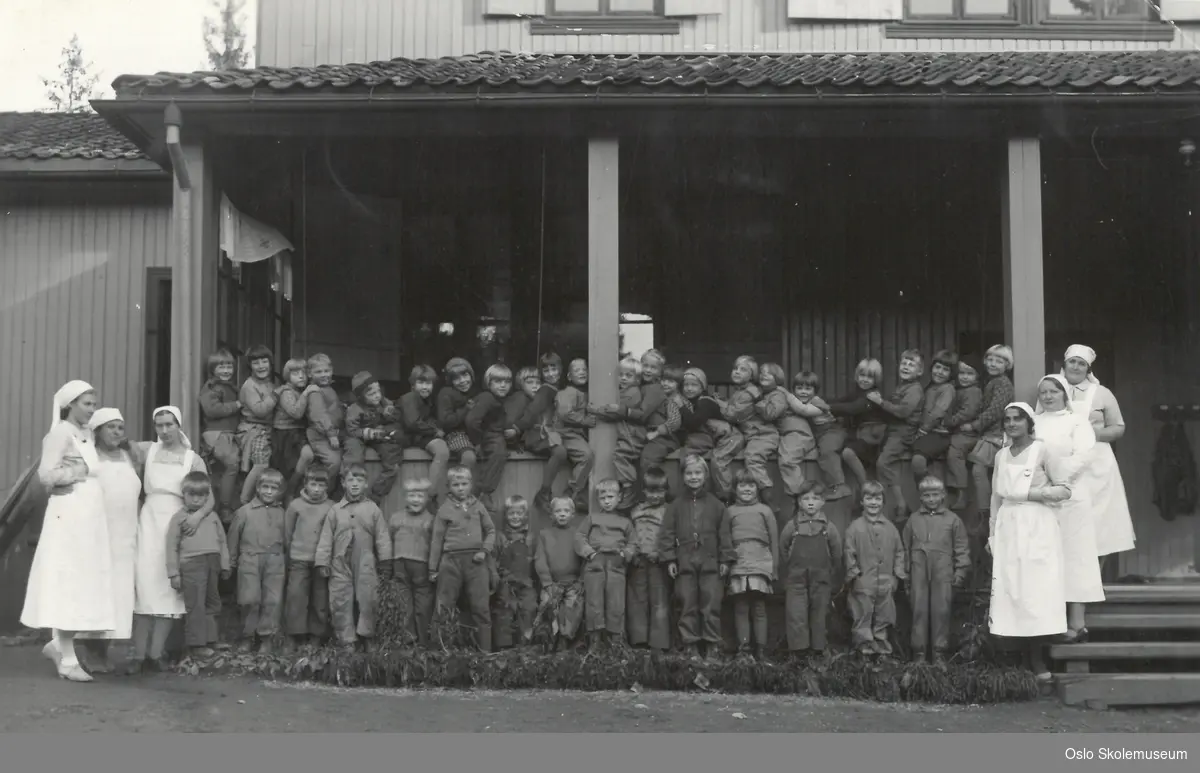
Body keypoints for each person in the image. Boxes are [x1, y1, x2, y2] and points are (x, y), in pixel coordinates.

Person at [22, 380, 115, 682]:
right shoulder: (60, 433)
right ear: (70, 404)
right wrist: (78, 472)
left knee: (81, 579)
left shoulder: (85, 433)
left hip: (89, 517)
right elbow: (46, 475)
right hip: (69, 514)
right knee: (69, 579)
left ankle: (58, 645)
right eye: (87, 404)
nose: (92, 409)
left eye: (93, 404)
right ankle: (67, 658)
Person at [987, 402, 1070, 682]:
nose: (1011, 424)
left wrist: (1028, 494)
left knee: (1035, 590)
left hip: (1037, 525)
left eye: (1017, 420)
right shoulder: (1001, 455)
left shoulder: (1043, 450)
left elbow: (1064, 490)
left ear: (1029, 423)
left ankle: (1037, 660)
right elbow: (996, 498)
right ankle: (1016, 660)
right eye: (1007, 420)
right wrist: (992, 535)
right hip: (1009, 526)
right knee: (1012, 590)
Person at [129, 406, 214, 675]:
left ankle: (156, 654)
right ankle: (138, 654)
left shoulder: (192, 458)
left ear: (179, 425)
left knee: (169, 588)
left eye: (169, 424)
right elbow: (118, 444)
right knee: (144, 584)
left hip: (178, 523)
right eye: (159, 425)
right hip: (149, 520)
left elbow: (208, 495)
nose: (164, 430)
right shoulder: (147, 450)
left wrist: (197, 516)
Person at [1035, 374, 1104, 641]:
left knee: (1075, 558)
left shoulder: (1077, 422)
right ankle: (1053, 623)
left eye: (1054, 391)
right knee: (1047, 559)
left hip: (1072, 497)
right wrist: (1043, 482)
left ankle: (1078, 624)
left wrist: (1058, 478)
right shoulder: (1034, 423)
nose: (1048, 396)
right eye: (1043, 392)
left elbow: (1085, 455)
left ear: (1064, 394)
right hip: (1043, 497)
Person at [74, 407, 141, 675]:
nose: (116, 432)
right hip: (99, 534)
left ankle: (104, 649)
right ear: (97, 430)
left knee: (120, 594)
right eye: (110, 427)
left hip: (127, 535)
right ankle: (90, 651)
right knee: (97, 591)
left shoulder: (129, 456)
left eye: (120, 428)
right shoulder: (89, 457)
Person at [1059, 344, 1135, 561]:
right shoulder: (1053, 387)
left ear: (1088, 368)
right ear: (1064, 364)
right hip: (1065, 461)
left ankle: (1096, 583)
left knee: (1098, 520)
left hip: (1097, 464)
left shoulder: (1101, 393)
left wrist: (1089, 433)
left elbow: (1118, 427)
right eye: (1072, 361)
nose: (1076, 366)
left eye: (1081, 363)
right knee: (1067, 517)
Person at [659, 454, 734, 662]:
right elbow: (666, 534)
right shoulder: (675, 506)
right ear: (683, 476)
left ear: (705, 475)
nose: (694, 477)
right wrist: (670, 559)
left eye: (698, 473)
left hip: (710, 561)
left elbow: (725, 535)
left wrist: (725, 560)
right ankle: (690, 645)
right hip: (684, 561)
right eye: (689, 473)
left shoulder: (717, 505)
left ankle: (711, 646)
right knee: (687, 602)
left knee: (711, 603)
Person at [316, 464, 393, 652]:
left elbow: (382, 536)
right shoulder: (335, 510)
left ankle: (368, 636)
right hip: (339, 562)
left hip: (365, 559)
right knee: (340, 598)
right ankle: (346, 639)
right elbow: (326, 537)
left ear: (366, 484)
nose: (355, 484)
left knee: (368, 598)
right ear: (343, 483)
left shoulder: (372, 509)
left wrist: (385, 561)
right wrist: (322, 561)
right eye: (351, 480)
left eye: (359, 481)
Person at [902, 476, 970, 665]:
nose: (931, 499)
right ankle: (919, 655)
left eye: (935, 495)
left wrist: (960, 572)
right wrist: (905, 574)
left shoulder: (953, 520)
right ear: (921, 498)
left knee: (941, 611)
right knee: (919, 611)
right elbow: (904, 549)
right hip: (918, 573)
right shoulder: (914, 520)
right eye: (927, 496)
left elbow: (962, 548)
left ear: (942, 496)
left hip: (943, 573)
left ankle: (939, 654)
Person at [428, 465, 495, 652]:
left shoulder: (478, 507)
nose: (460, 488)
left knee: (481, 607)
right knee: (444, 606)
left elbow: (491, 530)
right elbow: (436, 540)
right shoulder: (444, 510)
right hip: (451, 562)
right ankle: (440, 651)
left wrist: (484, 550)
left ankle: (485, 653)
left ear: (471, 485)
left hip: (476, 561)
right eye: (456, 484)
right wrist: (433, 569)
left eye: (464, 484)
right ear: (449, 487)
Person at [166, 471, 231, 659]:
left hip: (212, 563)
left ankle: (211, 639)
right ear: (183, 495)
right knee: (196, 605)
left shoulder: (212, 516)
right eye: (191, 495)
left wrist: (225, 564)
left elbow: (222, 540)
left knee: (212, 601)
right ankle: (196, 644)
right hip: (191, 564)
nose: (196, 499)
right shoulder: (179, 518)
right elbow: (171, 546)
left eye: (201, 495)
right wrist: (173, 573)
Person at [780, 481, 843, 660]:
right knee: (796, 613)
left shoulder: (828, 528)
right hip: (796, 578)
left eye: (815, 499)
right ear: (799, 502)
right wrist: (792, 568)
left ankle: (818, 651)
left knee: (819, 614)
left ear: (822, 502)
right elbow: (783, 548)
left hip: (821, 578)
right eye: (805, 498)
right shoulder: (792, 526)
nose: (810, 502)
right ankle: (798, 653)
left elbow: (836, 553)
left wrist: (830, 573)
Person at [844, 480, 906, 658]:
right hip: (864, 582)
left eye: (877, 498)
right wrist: (855, 575)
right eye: (869, 498)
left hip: (886, 582)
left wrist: (897, 575)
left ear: (883, 502)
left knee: (884, 617)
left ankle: (882, 651)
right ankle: (864, 651)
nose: (873, 502)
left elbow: (899, 552)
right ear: (862, 501)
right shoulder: (854, 528)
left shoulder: (891, 529)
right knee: (862, 615)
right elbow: (849, 553)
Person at [723, 470, 780, 662]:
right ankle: (744, 649)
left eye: (751, 485)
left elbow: (774, 540)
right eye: (742, 485)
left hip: (760, 562)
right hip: (738, 562)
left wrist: (775, 568)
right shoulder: (730, 512)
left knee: (758, 606)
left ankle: (761, 650)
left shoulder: (765, 510)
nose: (747, 489)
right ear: (735, 489)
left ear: (757, 489)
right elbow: (725, 539)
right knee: (740, 606)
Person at [229, 468, 288, 654]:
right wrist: (230, 562)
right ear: (257, 488)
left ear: (280, 491)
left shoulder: (283, 513)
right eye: (265, 487)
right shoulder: (244, 512)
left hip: (275, 561)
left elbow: (287, 539)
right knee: (249, 599)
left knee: (272, 600)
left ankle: (266, 637)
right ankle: (247, 636)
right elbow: (233, 539)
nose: (269, 492)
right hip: (249, 559)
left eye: (274, 488)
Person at [575, 479, 636, 650]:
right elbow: (579, 536)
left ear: (619, 498)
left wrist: (625, 554)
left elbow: (633, 543)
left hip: (616, 563)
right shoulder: (592, 518)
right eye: (603, 498)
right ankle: (595, 640)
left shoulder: (625, 522)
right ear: (598, 500)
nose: (607, 501)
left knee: (616, 602)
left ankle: (615, 640)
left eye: (611, 497)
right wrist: (589, 552)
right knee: (594, 601)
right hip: (595, 562)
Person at [283, 466, 334, 652]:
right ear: (305, 484)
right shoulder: (296, 505)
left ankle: (316, 636)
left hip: (321, 561)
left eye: (321, 485)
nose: (317, 489)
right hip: (299, 558)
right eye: (313, 484)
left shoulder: (330, 507)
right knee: (296, 597)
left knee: (320, 598)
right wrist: (292, 553)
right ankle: (294, 636)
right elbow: (287, 534)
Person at [871, 349, 927, 521]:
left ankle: (901, 503)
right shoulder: (903, 386)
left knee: (883, 463)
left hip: (903, 432)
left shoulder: (915, 389)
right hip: (893, 430)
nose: (906, 367)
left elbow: (903, 412)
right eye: (904, 363)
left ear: (919, 371)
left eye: (912, 365)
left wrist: (880, 402)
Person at [967, 345, 1016, 535]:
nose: (993, 364)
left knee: (979, 469)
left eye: (999, 361)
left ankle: (985, 512)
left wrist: (974, 425)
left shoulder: (1002, 383)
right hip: (988, 432)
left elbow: (995, 410)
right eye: (990, 359)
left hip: (995, 433)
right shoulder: (991, 381)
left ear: (1007, 365)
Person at [591, 355, 649, 511]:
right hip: (628, 433)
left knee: (621, 456)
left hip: (632, 434)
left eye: (628, 376)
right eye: (621, 375)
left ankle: (629, 488)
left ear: (637, 379)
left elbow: (615, 412)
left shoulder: (632, 392)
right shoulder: (624, 390)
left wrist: (596, 410)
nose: (623, 378)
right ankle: (629, 487)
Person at [512, 354, 569, 515]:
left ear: (561, 369)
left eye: (554, 369)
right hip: (537, 436)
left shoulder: (556, 389)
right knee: (560, 452)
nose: (551, 373)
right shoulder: (545, 390)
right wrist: (517, 428)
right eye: (546, 370)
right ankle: (544, 493)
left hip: (548, 435)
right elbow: (533, 411)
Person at [344, 370, 406, 505]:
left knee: (393, 465)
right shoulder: (354, 409)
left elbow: (395, 415)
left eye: (378, 391)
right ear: (361, 397)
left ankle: (374, 497)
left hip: (379, 435)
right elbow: (352, 430)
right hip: (359, 436)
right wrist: (369, 433)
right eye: (371, 394)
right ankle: (349, 494)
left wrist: (390, 413)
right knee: (353, 459)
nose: (377, 396)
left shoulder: (384, 403)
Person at [626, 467, 671, 652]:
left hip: (657, 562)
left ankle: (658, 643)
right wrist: (633, 554)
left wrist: (661, 554)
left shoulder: (668, 511)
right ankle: (639, 641)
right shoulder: (635, 510)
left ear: (666, 491)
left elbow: (671, 536)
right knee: (638, 599)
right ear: (644, 491)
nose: (654, 496)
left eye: (659, 491)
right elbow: (630, 534)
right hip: (639, 561)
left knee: (659, 600)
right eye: (650, 491)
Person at [388, 477, 436, 647]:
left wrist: (433, 568)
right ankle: (408, 640)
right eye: (412, 496)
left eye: (420, 496)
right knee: (404, 605)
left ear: (426, 499)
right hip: (400, 566)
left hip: (422, 567)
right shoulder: (396, 518)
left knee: (423, 606)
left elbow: (434, 544)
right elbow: (390, 539)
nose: (416, 500)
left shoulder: (430, 520)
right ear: (405, 497)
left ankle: (423, 641)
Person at [535, 497, 586, 651]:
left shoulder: (578, 535)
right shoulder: (545, 534)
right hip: (553, 583)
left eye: (566, 511)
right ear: (551, 515)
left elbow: (585, 559)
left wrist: (581, 581)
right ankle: (547, 643)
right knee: (547, 605)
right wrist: (547, 583)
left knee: (573, 607)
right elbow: (540, 559)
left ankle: (565, 641)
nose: (562, 514)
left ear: (573, 514)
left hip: (573, 583)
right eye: (558, 511)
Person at [197, 349, 243, 522]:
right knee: (232, 465)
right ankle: (224, 507)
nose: (226, 370)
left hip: (227, 434)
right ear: (212, 369)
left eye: (229, 366)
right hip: (217, 433)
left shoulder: (229, 387)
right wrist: (236, 405)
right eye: (221, 366)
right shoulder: (212, 387)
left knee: (229, 469)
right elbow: (211, 410)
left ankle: (224, 505)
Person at [711, 355, 764, 503]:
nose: (737, 372)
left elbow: (733, 416)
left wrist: (718, 405)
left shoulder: (749, 393)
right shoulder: (740, 391)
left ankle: (726, 496)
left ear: (752, 375)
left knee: (719, 459)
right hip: (745, 432)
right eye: (735, 368)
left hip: (753, 434)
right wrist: (723, 401)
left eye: (743, 369)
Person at [398, 365, 451, 505]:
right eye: (421, 383)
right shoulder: (409, 398)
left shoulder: (428, 401)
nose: (425, 387)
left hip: (419, 436)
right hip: (405, 436)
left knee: (443, 451)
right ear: (413, 384)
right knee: (441, 450)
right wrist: (434, 431)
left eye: (428, 383)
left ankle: (431, 494)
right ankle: (429, 497)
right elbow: (413, 423)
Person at [465, 364, 514, 515]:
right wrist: (478, 442)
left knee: (501, 453)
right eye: (498, 381)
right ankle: (482, 492)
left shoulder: (499, 399)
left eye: (506, 382)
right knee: (499, 452)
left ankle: (482, 493)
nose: (503, 385)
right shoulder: (487, 397)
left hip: (494, 435)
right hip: (487, 435)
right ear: (488, 382)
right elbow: (472, 421)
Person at [834, 358, 889, 490]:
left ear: (876, 379)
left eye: (870, 377)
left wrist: (826, 407)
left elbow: (853, 408)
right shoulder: (857, 392)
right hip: (860, 436)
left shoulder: (873, 396)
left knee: (848, 453)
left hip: (872, 439)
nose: (864, 379)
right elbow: (841, 401)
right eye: (862, 375)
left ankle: (866, 487)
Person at [492, 495, 537, 650]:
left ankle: (524, 647)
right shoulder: (500, 537)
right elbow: (494, 561)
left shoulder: (530, 538)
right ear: (506, 515)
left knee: (528, 608)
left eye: (519, 513)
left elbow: (535, 562)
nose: (515, 517)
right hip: (505, 581)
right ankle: (503, 649)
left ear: (525, 515)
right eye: (512, 513)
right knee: (504, 611)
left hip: (526, 582)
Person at [239, 345, 280, 505]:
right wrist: (276, 395)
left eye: (265, 361)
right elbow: (260, 410)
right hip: (253, 429)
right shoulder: (249, 386)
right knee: (261, 463)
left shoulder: (270, 384)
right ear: (250, 366)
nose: (261, 366)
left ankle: (265, 499)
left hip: (269, 429)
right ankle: (244, 500)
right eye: (256, 363)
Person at [941, 356, 984, 511]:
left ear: (977, 376)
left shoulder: (973, 391)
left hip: (969, 433)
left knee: (955, 453)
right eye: (961, 373)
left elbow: (968, 412)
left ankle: (961, 492)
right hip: (959, 430)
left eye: (970, 373)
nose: (965, 377)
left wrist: (950, 421)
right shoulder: (959, 390)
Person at [910, 350, 959, 484]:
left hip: (938, 434)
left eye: (945, 369)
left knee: (918, 460)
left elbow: (938, 413)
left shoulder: (947, 389)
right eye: (937, 367)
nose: (939, 372)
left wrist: (923, 430)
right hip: (926, 432)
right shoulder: (929, 387)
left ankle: (930, 490)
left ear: (951, 373)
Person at [555, 358, 597, 512]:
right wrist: (585, 420)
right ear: (569, 376)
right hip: (566, 434)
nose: (582, 372)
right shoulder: (568, 392)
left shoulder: (585, 392)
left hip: (577, 434)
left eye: (584, 369)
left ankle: (580, 496)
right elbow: (565, 413)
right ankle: (571, 493)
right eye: (577, 370)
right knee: (586, 456)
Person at [744, 362, 789, 504]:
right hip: (756, 433)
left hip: (768, 435)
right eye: (762, 372)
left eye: (769, 373)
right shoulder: (760, 393)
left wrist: (758, 399)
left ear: (778, 378)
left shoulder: (778, 395)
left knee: (753, 458)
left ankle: (768, 498)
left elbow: (771, 413)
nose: (764, 374)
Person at [272, 358, 315, 500]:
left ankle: (293, 489)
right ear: (287, 376)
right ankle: (288, 492)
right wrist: (306, 393)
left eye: (304, 373)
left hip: (299, 432)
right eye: (296, 373)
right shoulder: (286, 392)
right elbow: (296, 413)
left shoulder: (302, 390)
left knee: (307, 459)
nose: (301, 376)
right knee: (290, 466)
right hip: (285, 433)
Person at [305, 353, 345, 494]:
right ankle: (318, 490)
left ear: (332, 371)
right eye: (318, 372)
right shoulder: (315, 392)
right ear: (310, 374)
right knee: (334, 462)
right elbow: (319, 415)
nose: (323, 375)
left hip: (330, 434)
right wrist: (331, 434)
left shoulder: (328, 389)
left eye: (326, 371)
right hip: (320, 435)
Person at [640, 365, 685, 477]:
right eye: (664, 380)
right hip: (662, 438)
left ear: (678, 384)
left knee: (649, 457)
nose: (665, 383)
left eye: (670, 381)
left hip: (668, 438)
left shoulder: (673, 401)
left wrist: (656, 433)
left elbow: (675, 422)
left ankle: (654, 485)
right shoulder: (664, 397)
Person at [436, 357, 479, 469]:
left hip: (474, 433)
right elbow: (445, 421)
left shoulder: (475, 392)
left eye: (465, 375)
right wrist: (465, 409)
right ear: (450, 381)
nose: (462, 381)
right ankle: (459, 483)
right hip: (454, 433)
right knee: (469, 457)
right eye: (456, 378)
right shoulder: (446, 393)